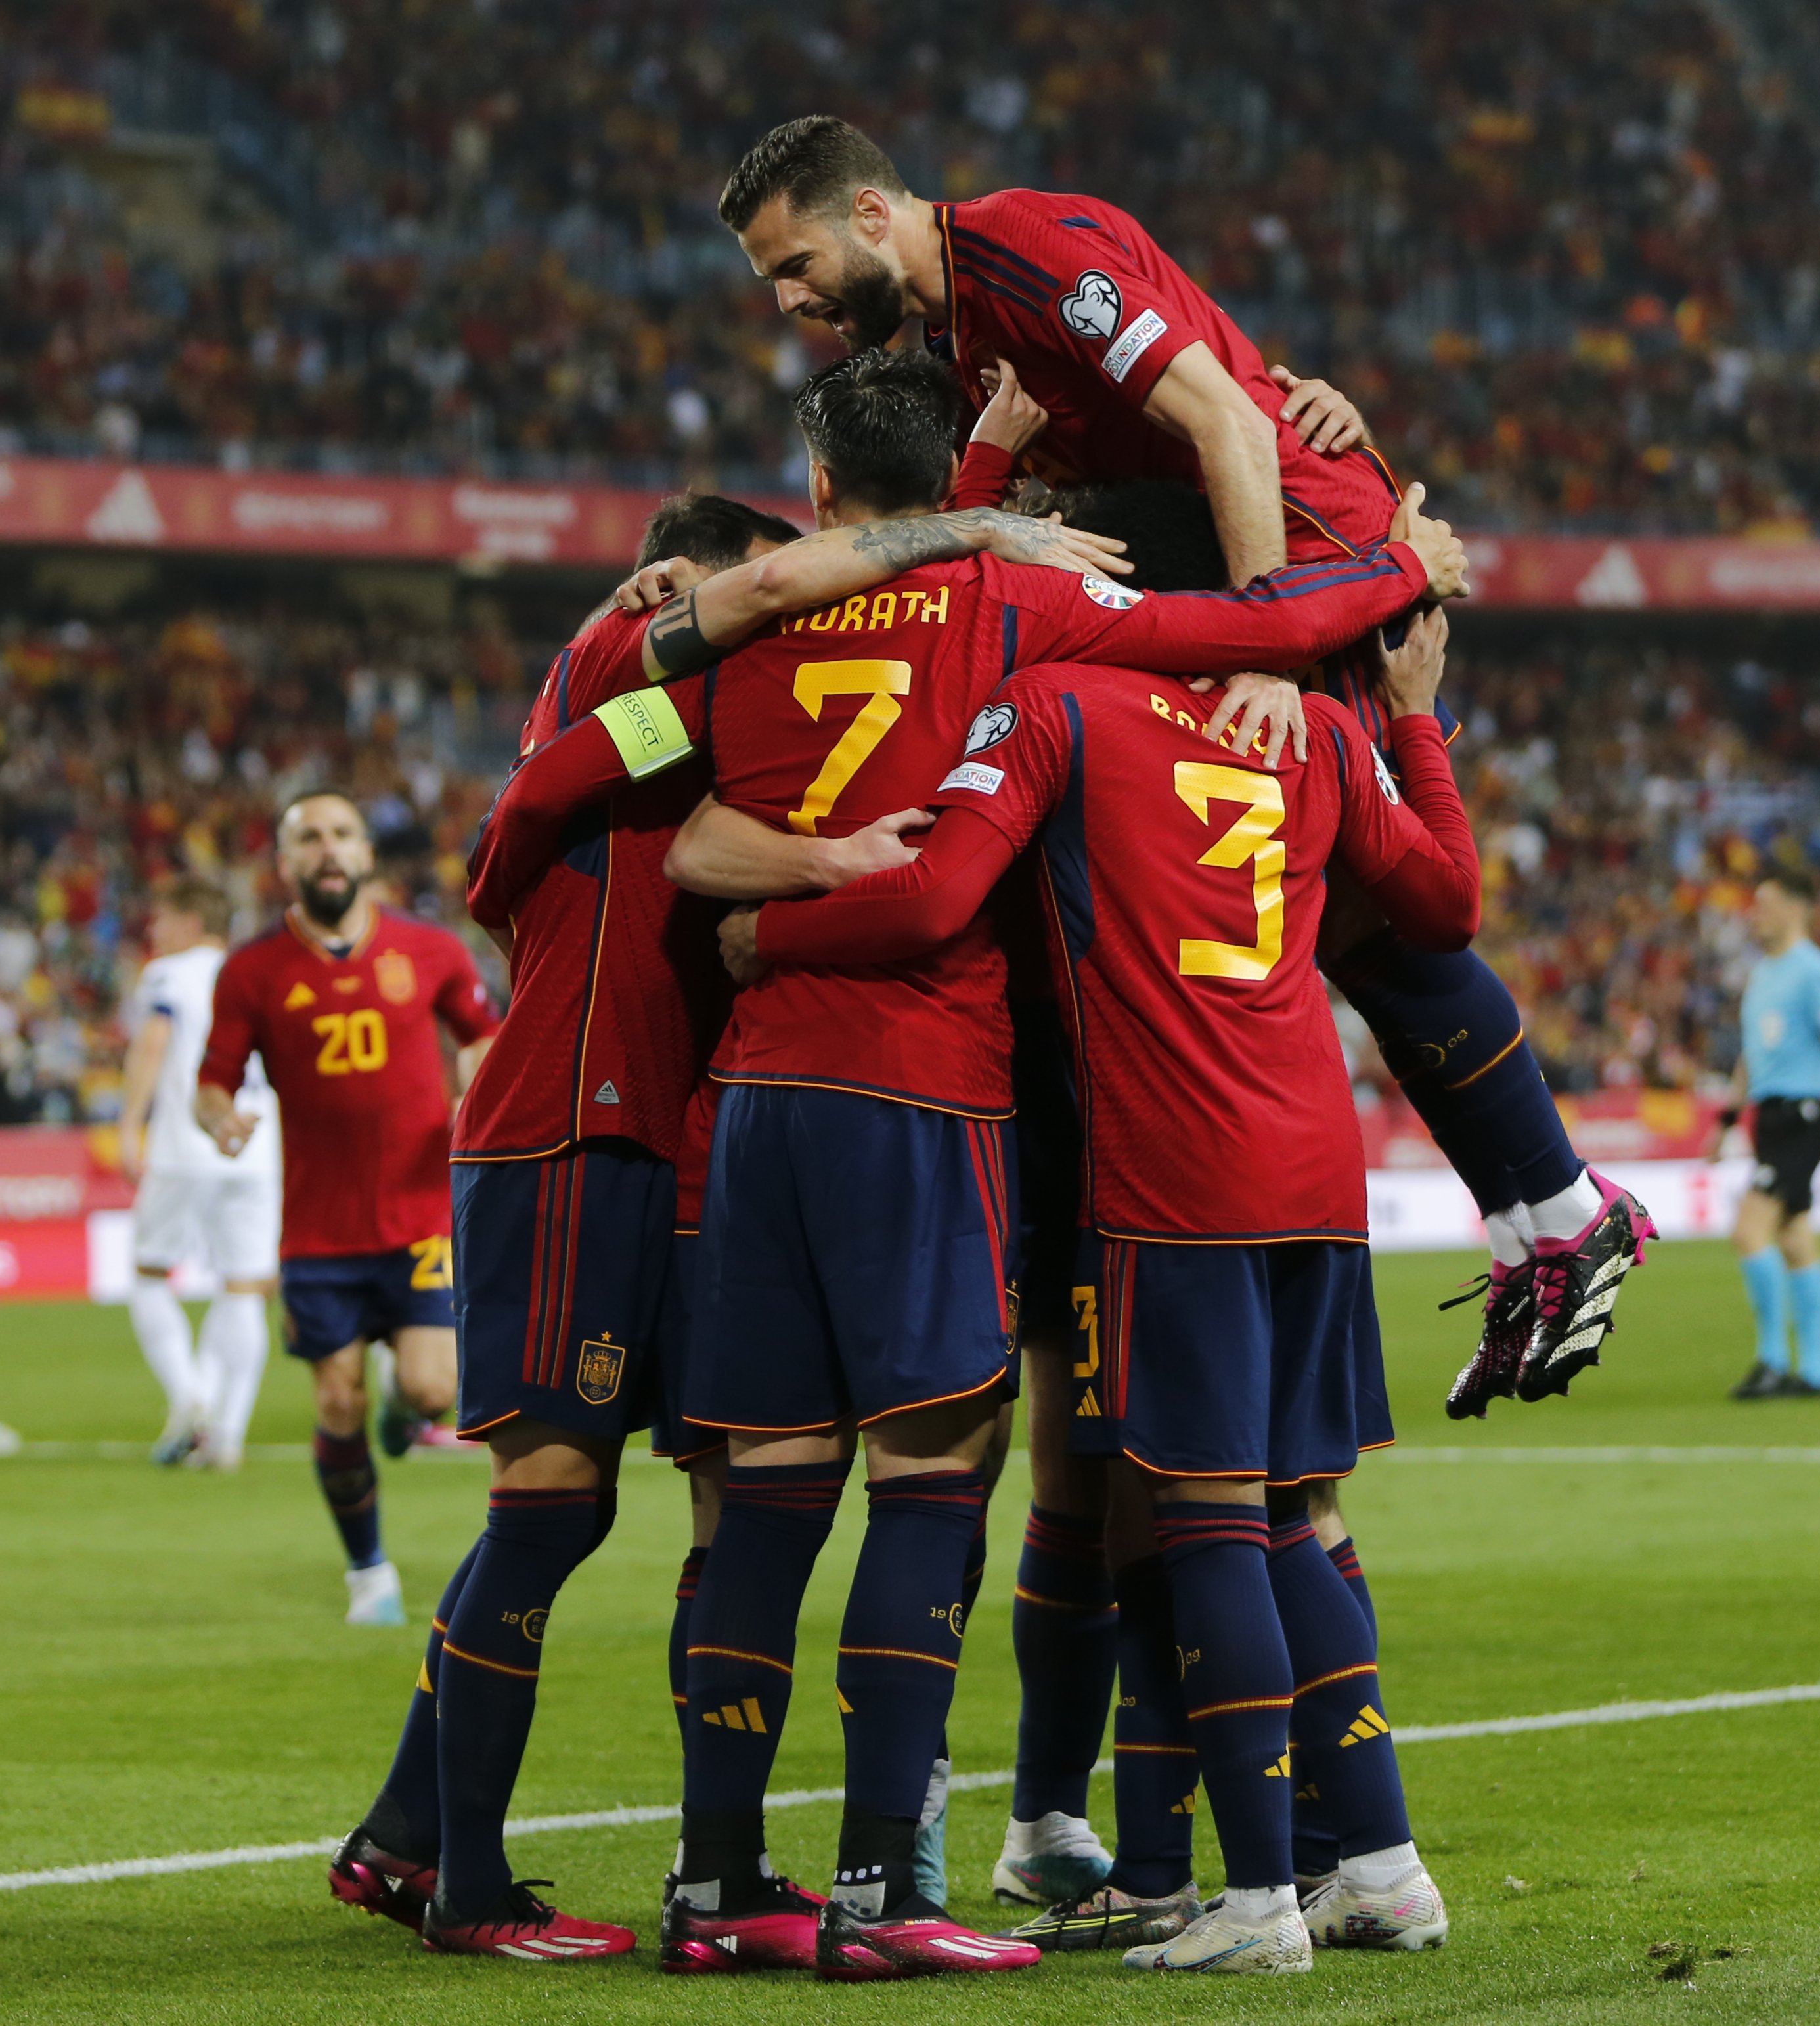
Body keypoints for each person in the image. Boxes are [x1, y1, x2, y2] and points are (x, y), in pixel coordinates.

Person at [474, 346, 1464, 1981]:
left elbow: (640, 817)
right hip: (930, 1097)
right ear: (960, 482)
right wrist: (1394, 567)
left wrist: (770, 881)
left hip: (750, 1102)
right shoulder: (1032, 620)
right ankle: (883, 1889)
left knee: (761, 1500)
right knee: (938, 1481)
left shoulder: (747, 623)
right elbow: (1260, 630)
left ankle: (718, 1880)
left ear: (813, 494)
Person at [713, 113, 1647, 1428]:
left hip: (1312, 566)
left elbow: (1224, 421)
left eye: (790, 263)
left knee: (1383, 911)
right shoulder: (978, 327)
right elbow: (1198, 395)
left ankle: (1560, 1206)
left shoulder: (1023, 250)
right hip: (1256, 559)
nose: (789, 300)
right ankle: (1536, 1214)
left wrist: (1273, 637)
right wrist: (1282, 394)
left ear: (871, 216)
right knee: (1334, 919)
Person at [326, 487, 1151, 1965]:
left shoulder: (723, 708)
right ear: (682, 584)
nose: (789, 622)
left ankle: (468, 1841)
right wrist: (833, 855)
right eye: (764, 596)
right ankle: (461, 1883)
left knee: (720, 1501)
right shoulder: (646, 685)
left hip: (694, 1133)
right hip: (586, 1123)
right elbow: (516, 821)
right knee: (554, 1502)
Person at [724, 597, 1481, 1972]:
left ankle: (1254, 1902)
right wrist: (1416, 718)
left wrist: (763, 942)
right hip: (1318, 1167)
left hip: (1177, 1165)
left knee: (1204, 1524)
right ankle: (1382, 1868)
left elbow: (940, 890)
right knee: (1295, 1512)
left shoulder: (1062, 703)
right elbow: (1446, 904)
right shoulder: (1309, 725)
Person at [196, 795, 500, 1624]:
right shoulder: (252, 972)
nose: (326, 851)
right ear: (286, 864)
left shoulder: (430, 950)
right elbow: (211, 1083)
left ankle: (409, 1410)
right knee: (335, 1405)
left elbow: (481, 1035)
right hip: (318, 1232)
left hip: (419, 1217)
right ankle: (369, 1572)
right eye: (308, 839)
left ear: (366, 853)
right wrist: (223, 1120)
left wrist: (480, 1073)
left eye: (339, 835)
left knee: (435, 1388)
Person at [115, 877, 277, 1470]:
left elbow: (153, 1043)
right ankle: (227, 1433)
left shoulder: (168, 973)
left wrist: (131, 1121)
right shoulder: (257, 969)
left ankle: (188, 1398)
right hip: (257, 1145)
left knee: (150, 1273)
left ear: (189, 922)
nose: (154, 931)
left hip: (187, 1145)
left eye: (162, 919)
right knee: (244, 1287)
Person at [1713, 879, 1820, 1400]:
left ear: (1796, 908)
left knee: (1748, 1230)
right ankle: (1817, 1371)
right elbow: (1750, 1056)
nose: (1755, 915)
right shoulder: (1761, 975)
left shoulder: (1817, 972)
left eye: (1766, 906)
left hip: (1803, 1115)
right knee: (1795, 1238)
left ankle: (1773, 1361)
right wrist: (1727, 1120)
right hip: (1770, 1116)